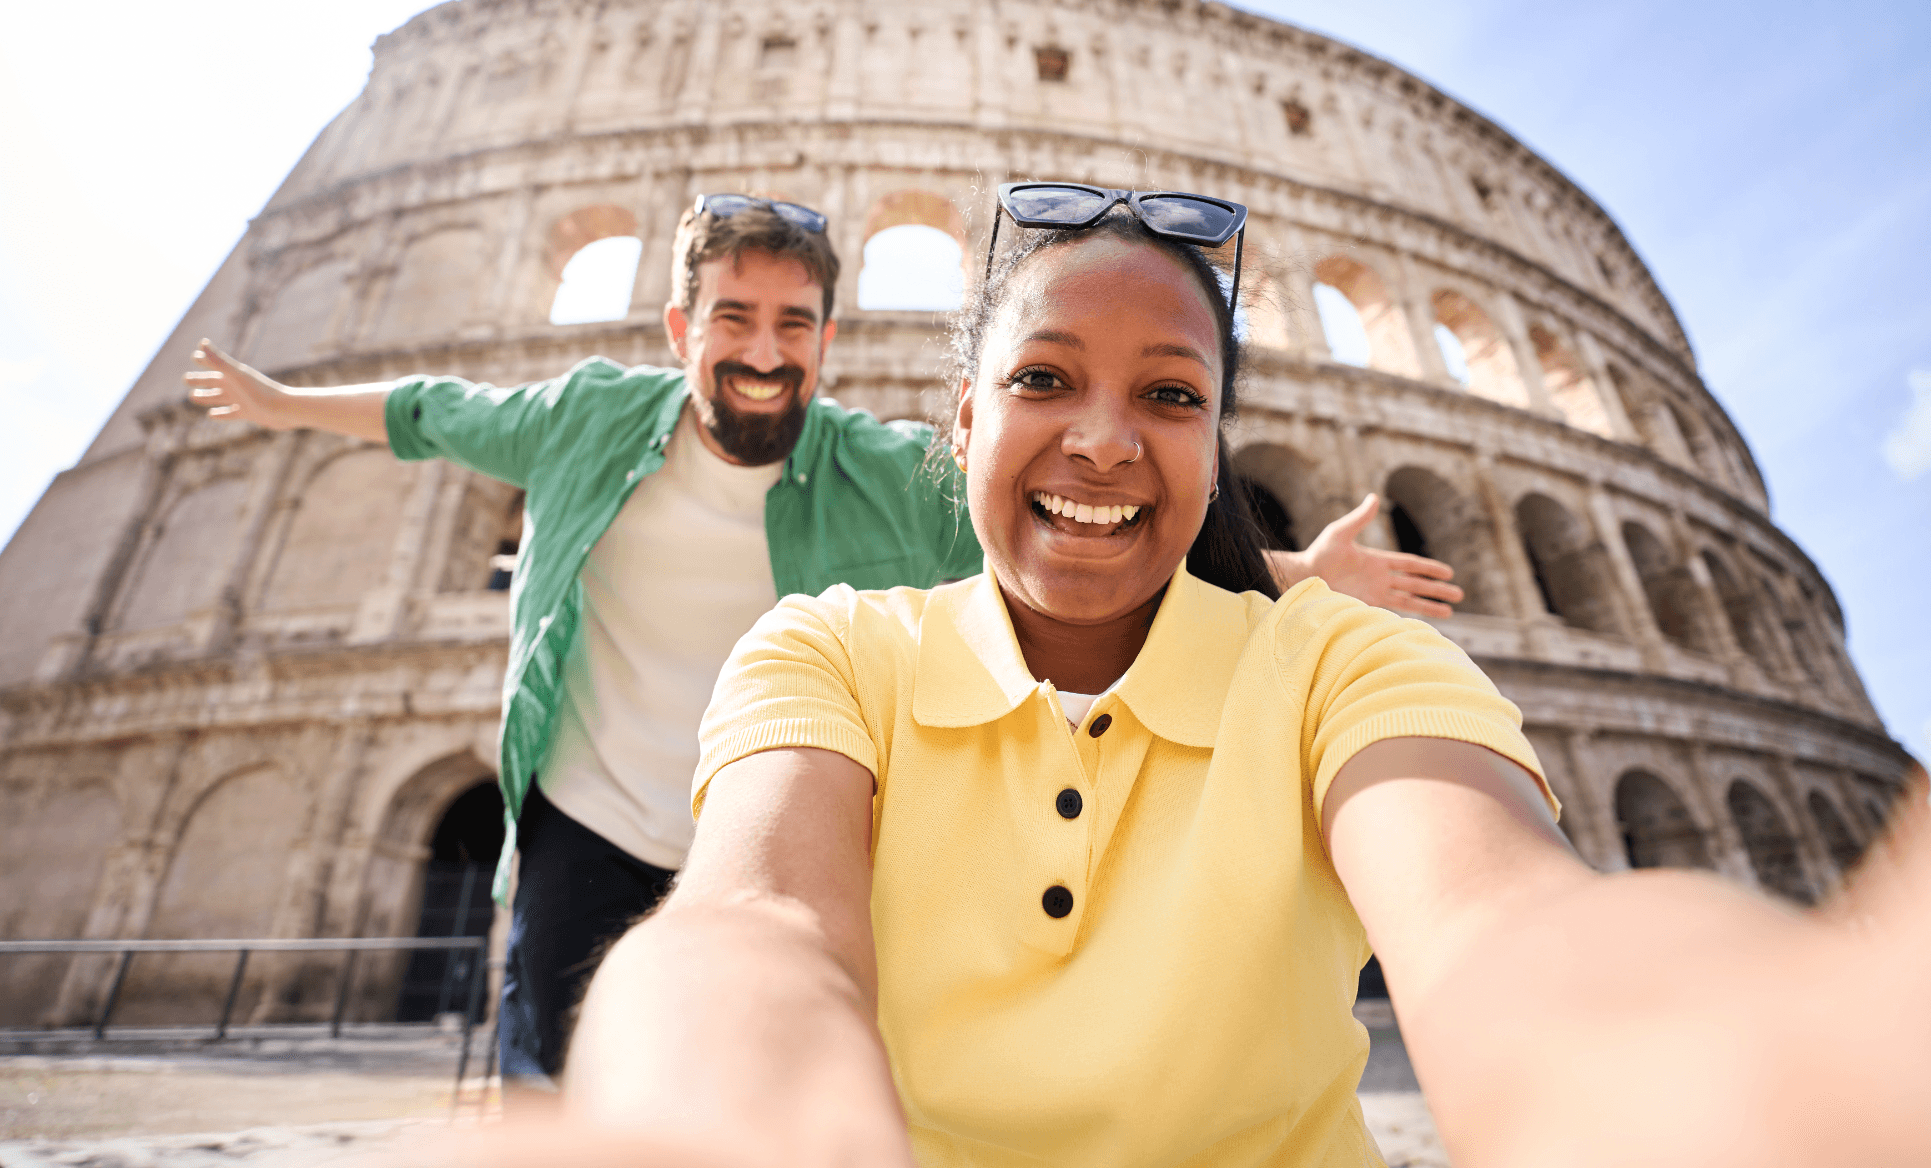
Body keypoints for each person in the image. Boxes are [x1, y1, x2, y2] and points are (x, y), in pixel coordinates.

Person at [522, 186, 1931, 1168]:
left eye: (1170, 395)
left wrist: (1701, 1060)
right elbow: (759, 920)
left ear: (1218, 453)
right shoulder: (825, 647)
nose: (1101, 441)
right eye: (1042, 381)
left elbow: (1501, 921)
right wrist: (689, 1101)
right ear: (956, 425)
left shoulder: (1342, 661)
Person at [182, 194, 1463, 1087]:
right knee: (553, 1073)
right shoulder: (584, 415)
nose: (761, 348)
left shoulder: (868, 464)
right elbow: (431, 413)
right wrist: (281, 401)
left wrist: (1291, 569)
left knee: (769, 1066)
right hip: (586, 813)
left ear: (824, 342)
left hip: (779, 806)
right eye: (733, 318)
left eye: (793, 324)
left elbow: (1066, 515)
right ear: (685, 330)